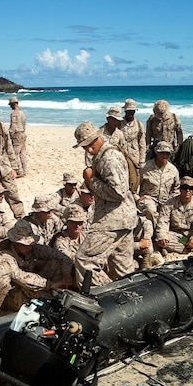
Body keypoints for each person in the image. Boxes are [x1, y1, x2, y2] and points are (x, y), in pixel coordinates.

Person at [73, 121, 138, 287]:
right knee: (122, 268)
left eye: (90, 144)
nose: (88, 149)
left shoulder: (109, 157)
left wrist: (91, 181)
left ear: (98, 137)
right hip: (124, 218)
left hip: (113, 219)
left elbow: (118, 192)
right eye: (84, 146)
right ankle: (129, 298)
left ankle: (93, 299)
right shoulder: (104, 155)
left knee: (85, 259)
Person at [0, 221, 74, 310]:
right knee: (47, 301)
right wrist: (50, 285)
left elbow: (62, 257)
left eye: (30, 244)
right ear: (16, 243)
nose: (30, 248)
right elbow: (21, 277)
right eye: (26, 245)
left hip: (33, 285)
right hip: (13, 292)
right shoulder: (5, 255)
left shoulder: (31, 248)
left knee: (56, 263)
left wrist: (66, 273)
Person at [157, 176, 193, 258]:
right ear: (180, 189)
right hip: (175, 235)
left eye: (191, 188)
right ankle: (188, 249)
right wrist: (163, 236)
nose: (188, 191)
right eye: (185, 188)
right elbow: (163, 220)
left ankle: (177, 248)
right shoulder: (169, 203)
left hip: (190, 234)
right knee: (161, 239)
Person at [138, 140, 179, 205]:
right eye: (162, 153)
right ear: (156, 153)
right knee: (149, 208)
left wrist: (172, 201)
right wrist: (138, 198)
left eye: (167, 153)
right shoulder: (145, 167)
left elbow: (176, 189)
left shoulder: (173, 170)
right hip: (149, 200)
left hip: (166, 202)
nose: (164, 156)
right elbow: (137, 186)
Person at [121, 99, 147, 169]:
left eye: (132, 111)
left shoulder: (139, 125)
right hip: (121, 158)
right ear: (125, 111)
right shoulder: (119, 123)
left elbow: (142, 144)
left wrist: (142, 160)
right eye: (129, 111)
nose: (130, 113)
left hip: (135, 159)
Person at [8, 96, 28, 177]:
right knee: (22, 153)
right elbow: (24, 124)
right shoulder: (22, 113)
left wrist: (10, 134)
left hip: (17, 134)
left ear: (13, 104)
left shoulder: (14, 114)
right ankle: (24, 169)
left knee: (15, 153)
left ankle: (20, 171)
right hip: (23, 133)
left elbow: (13, 126)